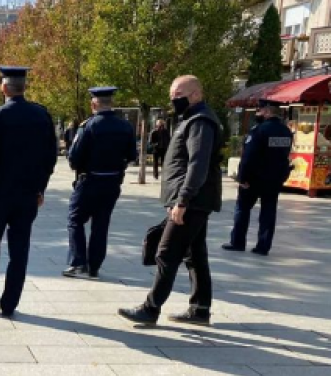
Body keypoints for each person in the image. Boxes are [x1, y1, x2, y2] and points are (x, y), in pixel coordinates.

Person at [119, 75, 223, 326]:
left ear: (196, 94)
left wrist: (183, 200)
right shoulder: (191, 119)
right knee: (195, 255)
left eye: (179, 95)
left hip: (191, 201)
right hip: (194, 199)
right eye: (172, 96)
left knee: (167, 252)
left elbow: (197, 165)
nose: (174, 100)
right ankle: (200, 309)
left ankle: (150, 308)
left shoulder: (200, 121)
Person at [0, 66, 59, 316]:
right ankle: (9, 303)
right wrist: (40, 188)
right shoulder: (41, 115)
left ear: (3, 87)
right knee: (19, 250)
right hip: (27, 195)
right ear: (24, 87)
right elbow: (49, 157)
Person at [63, 87, 137, 279]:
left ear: (94, 104)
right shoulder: (125, 126)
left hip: (89, 181)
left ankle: (78, 263)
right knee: (101, 224)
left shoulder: (89, 126)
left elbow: (74, 157)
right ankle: (94, 266)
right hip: (112, 182)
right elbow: (131, 155)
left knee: (75, 219)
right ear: (111, 103)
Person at [222, 98, 293, 256]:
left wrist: (242, 178)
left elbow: (249, 157)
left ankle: (238, 242)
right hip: (274, 179)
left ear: (267, 111)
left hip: (254, 179)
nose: (257, 113)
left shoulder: (259, 130)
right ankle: (263, 246)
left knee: (242, 209)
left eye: (259, 110)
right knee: (269, 212)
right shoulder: (286, 131)